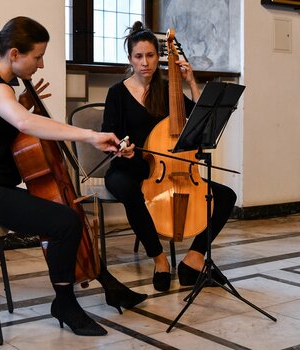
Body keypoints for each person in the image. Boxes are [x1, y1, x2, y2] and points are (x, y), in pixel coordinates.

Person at [0, 16, 147, 337]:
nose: (41, 65)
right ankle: (65, 303)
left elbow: (7, 127)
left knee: (69, 215)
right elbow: (25, 125)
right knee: (64, 222)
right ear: (14, 54)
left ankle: (103, 284)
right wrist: (88, 135)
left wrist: (24, 103)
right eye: (37, 56)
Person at [101, 21, 237, 292]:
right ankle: (159, 259)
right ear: (130, 59)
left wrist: (190, 82)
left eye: (150, 56)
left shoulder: (167, 90)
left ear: (158, 56)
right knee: (128, 189)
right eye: (138, 57)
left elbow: (200, 120)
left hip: (168, 167)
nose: (145, 63)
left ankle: (194, 258)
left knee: (226, 196)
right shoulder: (117, 93)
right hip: (129, 165)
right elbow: (108, 136)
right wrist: (121, 146)